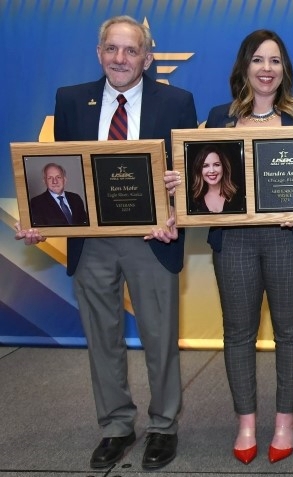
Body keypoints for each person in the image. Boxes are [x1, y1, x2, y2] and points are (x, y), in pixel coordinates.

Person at [14, 15, 197, 470]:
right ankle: (116, 426)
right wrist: (41, 220)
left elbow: (187, 175)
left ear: (148, 58)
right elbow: (58, 171)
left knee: (160, 337)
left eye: (131, 50)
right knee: (102, 339)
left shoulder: (177, 101)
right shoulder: (72, 100)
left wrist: (175, 214)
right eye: (112, 49)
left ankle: (163, 426)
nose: (120, 58)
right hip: (91, 242)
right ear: (99, 54)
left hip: (151, 239)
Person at [177, 29, 293, 465]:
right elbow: (200, 181)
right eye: (257, 60)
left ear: (284, 70)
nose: (266, 68)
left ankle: (284, 419)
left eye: (275, 61)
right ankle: (245, 420)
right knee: (238, 334)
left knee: (290, 332)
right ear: (244, 67)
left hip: (288, 239)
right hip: (234, 241)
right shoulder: (217, 118)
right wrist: (178, 183)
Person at [188, 145, 245, 213]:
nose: (212, 171)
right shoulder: (193, 200)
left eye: (216, 165)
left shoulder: (240, 195)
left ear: (223, 167)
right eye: (205, 166)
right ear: (199, 170)